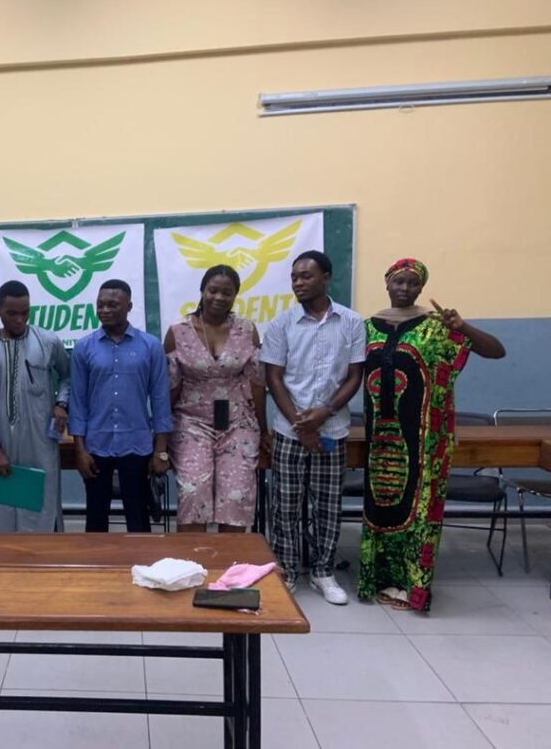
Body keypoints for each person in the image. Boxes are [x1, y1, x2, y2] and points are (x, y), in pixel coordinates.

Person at [358, 258, 505, 612]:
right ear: (387, 283)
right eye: (399, 281)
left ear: (421, 288)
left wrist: (463, 326)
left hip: (426, 440)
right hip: (381, 440)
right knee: (380, 508)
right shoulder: (366, 328)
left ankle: (414, 586)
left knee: (419, 509)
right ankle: (379, 579)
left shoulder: (437, 326)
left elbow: (496, 351)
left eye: (413, 283)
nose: (405, 289)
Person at [261, 250, 365, 604]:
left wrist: (325, 412)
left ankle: (323, 572)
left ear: (326, 277)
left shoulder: (351, 322)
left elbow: (355, 376)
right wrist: (301, 424)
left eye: (306, 276)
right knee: (286, 505)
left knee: (327, 506)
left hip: (332, 430)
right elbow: (273, 378)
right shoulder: (281, 324)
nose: (298, 283)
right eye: (294, 277)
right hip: (290, 432)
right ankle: (288, 570)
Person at [164, 265, 269, 533]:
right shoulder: (178, 332)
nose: (219, 297)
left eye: (227, 292)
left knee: (236, 495)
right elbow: (170, 388)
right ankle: (193, 556)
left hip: (238, 422)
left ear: (235, 295)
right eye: (213, 290)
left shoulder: (247, 330)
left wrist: (264, 429)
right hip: (191, 423)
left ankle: (229, 558)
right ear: (202, 291)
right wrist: (160, 439)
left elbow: (257, 384)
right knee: (193, 490)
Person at [69, 279, 172, 532]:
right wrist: (80, 450)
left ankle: (140, 560)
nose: (105, 310)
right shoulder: (83, 347)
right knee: (95, 521)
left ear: (129, 307)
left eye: (113, 305)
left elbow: (161, 400)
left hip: (136, 445)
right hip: (96, 446)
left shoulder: (150, 346)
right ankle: (97, 560)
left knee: (138, 520)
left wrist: (161, 451)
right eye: (100, 305)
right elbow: (78, 402)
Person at [0, 280, 71, 532]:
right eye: (12, 313)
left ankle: (44, 556)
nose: (19, 319)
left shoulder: (48, 341)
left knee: (43, 506)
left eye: (25, 313)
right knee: (7, 511)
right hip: (3, 442)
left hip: (41, 440)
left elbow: (68, 376)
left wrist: (61, 403)